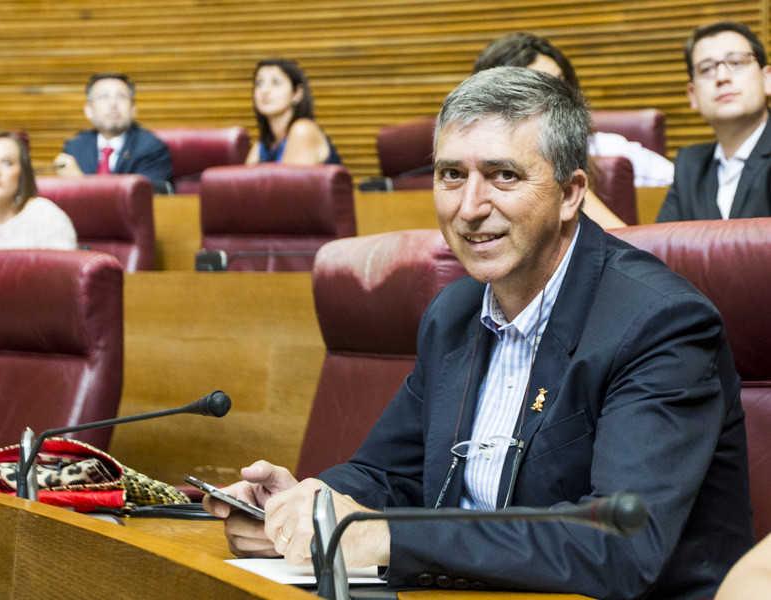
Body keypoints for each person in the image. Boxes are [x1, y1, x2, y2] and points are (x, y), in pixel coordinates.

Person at [203, 68, 752, 600]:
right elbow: (386, 473)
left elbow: (617, 545)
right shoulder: (455, 311)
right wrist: (306, 506)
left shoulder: (660, 324)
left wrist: (386, 537)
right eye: (451, 175)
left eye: (503, 175)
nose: (469, 208)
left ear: (570, 193)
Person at [474, 33, 675, 190]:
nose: (557, 97)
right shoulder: (471, 163)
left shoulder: (606, 150)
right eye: (538, 88)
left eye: (561, 83)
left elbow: (686, 188)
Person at [657, 21, 771, 221]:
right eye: (707, 69)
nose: (721, 77)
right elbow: (658, 247)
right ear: (692, 95)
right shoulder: (689, 165)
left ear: (767, 79)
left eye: (736, 63)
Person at [54, 73, 173, 193]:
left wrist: (81, 182)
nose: (113, 104)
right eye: (103, 97)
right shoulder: (75, 147)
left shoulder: (151, 148)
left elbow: (142, 197)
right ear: (88, 110)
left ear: (133, 109)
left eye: (121, 97)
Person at [245, 58, 342, 166]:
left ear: (297, 94)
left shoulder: (302, 130)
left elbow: (286, 182)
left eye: (276, 83)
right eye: (259, 83)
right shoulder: (261, 146)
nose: (264, 90)